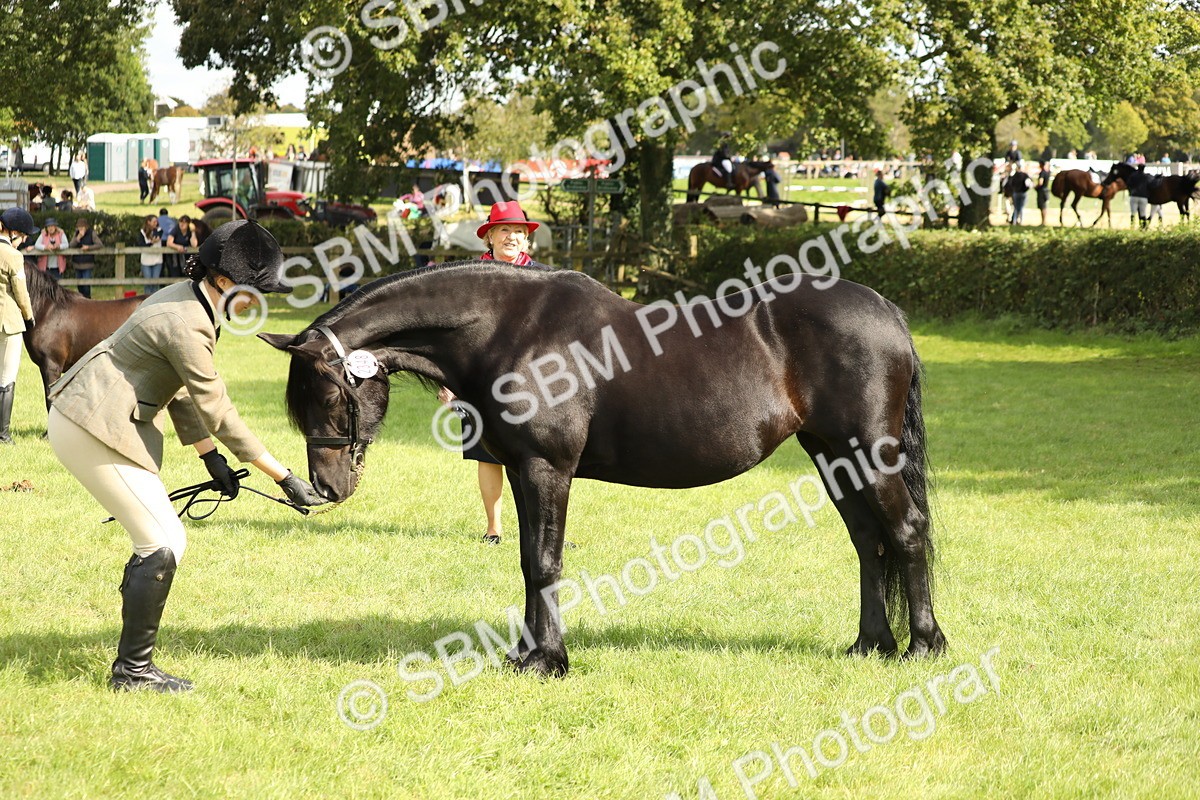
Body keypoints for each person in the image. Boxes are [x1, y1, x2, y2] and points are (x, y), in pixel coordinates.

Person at [47, 220, 327, 693]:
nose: (255, 303)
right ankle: (132, 673)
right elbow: (217, 409)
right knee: (160, 542)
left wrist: (210, 458)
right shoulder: (189, 322)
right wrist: (284, 476)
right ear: (224, 280)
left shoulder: (190, 300)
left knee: (161, 540)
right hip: (90, 425)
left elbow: (179, 392)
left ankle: (132, 665)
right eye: (253, 293)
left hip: (90, 418)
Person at [437, 201, 544, 544]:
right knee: (488, 453)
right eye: (504, 230)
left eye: (519, 231)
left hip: (536, 379)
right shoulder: (470, 278)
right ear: (490, 237)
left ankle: (546, 530)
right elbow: (451, 333)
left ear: (527, 239)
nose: (512, 237)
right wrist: (448, 380)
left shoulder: (544, 279)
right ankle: (493, 529)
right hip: (479, 377)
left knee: (541, 456)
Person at [0, 208, 38, 445]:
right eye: (23, 236)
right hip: (8, 323)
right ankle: (3, 435)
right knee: (6, 378)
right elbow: (21, 294)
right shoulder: (13, 256)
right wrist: (29, 316)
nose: (23, 241)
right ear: (13, 232)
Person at [69, 217, 103, 298]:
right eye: (79, 227)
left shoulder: (91, 233)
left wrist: (89, 247)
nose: (80, 229)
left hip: (88, 263)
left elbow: (99, 245)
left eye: (82, 227)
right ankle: (82, 300)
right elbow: (71, 245)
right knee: (79, 285)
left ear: (86, 227)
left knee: (86, 286)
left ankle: (88, 299)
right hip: (77, 263)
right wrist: (78, 238)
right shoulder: (76, 234)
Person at [136, 215, 163, 295]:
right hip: (146, 260)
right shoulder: (142, 232)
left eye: (156, 221)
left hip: (157, 259)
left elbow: (157, 236)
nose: (156, 223)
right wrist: (151, 243)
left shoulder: (159, 230)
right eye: (154, 221)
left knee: (155, 282)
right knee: (147, 282)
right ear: (148, 222)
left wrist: (154, 238)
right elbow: (141, 245)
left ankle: (156, 298)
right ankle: (147, 298)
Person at [1035, 161, 1052, 226]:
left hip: (1042, 191)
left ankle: (1043, 221)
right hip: (1046, 191)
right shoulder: (1048, 172)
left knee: (1042, 206)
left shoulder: (1042, 173)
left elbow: (1040, 182)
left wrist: (1036, 187)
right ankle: (1044, 221)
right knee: (1044, 206)